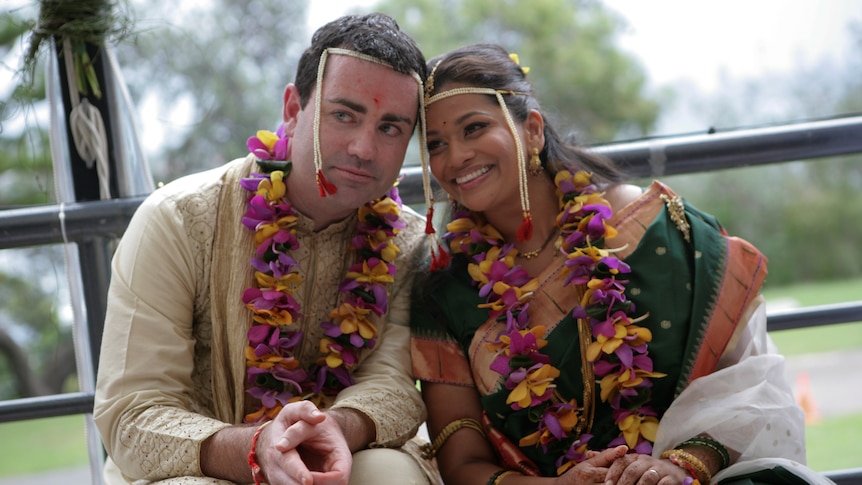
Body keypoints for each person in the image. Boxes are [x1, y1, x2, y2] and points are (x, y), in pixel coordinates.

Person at [409, 43, 833, 485]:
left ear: (532, 130)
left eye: (474, 128)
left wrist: (681, 466)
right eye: (435, 144)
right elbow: (462, 465)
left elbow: (750, 385)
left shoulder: (654, 228)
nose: (455, 157)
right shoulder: (444, 290)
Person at [94, 13, 434, 485]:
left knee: (391, 474)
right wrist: (258, 449)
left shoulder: (408, 242)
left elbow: (393, 384)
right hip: (198, 466)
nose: (364, 148)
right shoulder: (178, 219)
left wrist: (333, 429)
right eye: (344, 115)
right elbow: (132, 412)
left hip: (338, 459)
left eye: (391, 128)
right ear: (293, 109)